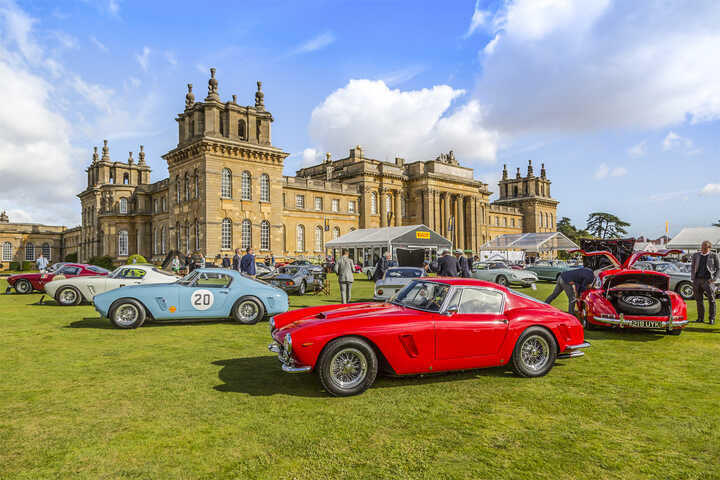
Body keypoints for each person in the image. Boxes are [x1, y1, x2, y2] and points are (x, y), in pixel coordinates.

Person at [691, 240, 719, 324]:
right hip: (697, 280)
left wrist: (714, 279)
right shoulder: (696, 255)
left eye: (705, 247)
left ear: (709, 247)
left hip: (708, 281)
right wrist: (693, 278)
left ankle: (712, 318)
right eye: (702, 246)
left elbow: (718, 268)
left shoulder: (714, 255)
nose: (702, 248)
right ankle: (700, 318)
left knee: (712, 300)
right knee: (699, 300)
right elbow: (692, 267)